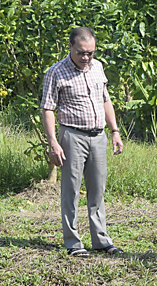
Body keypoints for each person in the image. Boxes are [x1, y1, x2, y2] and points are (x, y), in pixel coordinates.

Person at [40, 27, 124, 258]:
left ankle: (101, 240)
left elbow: (105, 100)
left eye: (91, 53)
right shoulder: (55, 72)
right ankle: (73, 243)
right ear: (70, 47)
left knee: (97, 191)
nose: (86, 58)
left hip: (98, 136)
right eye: (81, 53)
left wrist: (115, 131)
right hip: (72, 136)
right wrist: (53, 143)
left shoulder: (97, 67)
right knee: (71, 191)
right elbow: (47, 109)